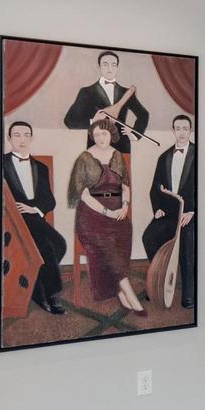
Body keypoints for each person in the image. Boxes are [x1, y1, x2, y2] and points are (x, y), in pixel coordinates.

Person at [68, 120, 144, 313]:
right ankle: (128, 292)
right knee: (107, 242)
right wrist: (106, 212)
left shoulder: (117, 155)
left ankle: (117, 289)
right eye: (97, 134)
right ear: (92, 136)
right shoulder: (84, 158)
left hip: (117, 209)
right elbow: (83, 195)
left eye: (105, 134)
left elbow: (125, 186)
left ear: (111, 134)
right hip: (91, 215)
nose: (101, 138)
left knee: (125, 231)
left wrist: (125, 205)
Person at [2, 120, 67, 315]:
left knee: (60, 244)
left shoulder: (41, 167)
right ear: (9, 138)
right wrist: (14, 209)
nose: (22, 139)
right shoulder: (0, 163)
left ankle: (37, 288)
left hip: (35, 218)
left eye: (25, 135)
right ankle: (50, 294)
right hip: (11, 222)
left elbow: (49, 200)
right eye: (16, 135)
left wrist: (35, 209)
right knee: (45, 248)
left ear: (31, 138)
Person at [142, 114, 199, 309]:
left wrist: (192, 211)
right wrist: (157, 208)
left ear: (190, 131)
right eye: (178, 128)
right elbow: (154, 188)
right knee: (149, 238)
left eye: (185, 128)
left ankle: (189, 294)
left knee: (187, 247)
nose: (181, 132)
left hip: (190, 215)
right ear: (172, 131)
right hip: (168, 214)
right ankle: (157, 280)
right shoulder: (164, 157)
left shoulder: (199, 155)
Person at [62, 49, 150, 153]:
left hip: (121, 147)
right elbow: (69, 121)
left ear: (117, 67)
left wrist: (133, 134)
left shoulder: (126, 93)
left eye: (113, 65)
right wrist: (92, 121)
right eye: (105, 64)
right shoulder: (86, 92)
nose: (110, 68)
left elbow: (143, 114)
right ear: (99, 67)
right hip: (95, 147)